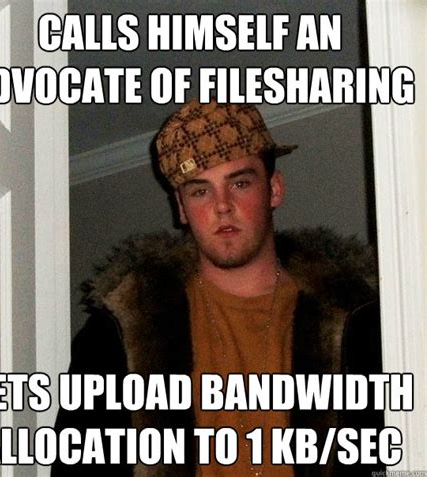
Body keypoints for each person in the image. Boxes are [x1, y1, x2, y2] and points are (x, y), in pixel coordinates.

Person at [52, 99, 382, 476]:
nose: (222, 206)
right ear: (181, 208)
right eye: (200, 191)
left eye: (239, 183)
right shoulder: (119, 333)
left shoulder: (359, 323)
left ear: (274, 189)